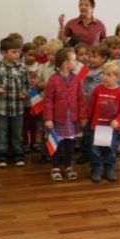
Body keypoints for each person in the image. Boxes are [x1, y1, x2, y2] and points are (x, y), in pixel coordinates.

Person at [43, 48, 88, 181]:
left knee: (70, 143)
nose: (76, 62)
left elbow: (81, 99)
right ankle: (55, 167)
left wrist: (83, 116)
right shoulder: (53, 80)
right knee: (56, 143)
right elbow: (48, 101)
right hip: (57, 119)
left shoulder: (76, 79)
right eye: (74, 60)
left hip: (72, 118)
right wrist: (48, 118)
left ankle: (69, 166)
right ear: (65, 63)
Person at [0, 37, 30, 168]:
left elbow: (27, 85)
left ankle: (18, 154)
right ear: (3, 52)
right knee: (2, 133)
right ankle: (1, 154)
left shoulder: (23, 67)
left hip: (18, 107)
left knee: (17, 133)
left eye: (18, 52)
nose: (17, 54)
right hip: (2, 108)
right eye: (13, 51)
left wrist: (25, 92)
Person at [87, 61, 120, 183]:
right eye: (104, 74)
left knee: (110, 150)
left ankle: (109, 169)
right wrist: (87, 118)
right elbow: (91, 106)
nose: (104, 77)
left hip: (111, 128)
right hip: (97, 127)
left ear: (118, 77)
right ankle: (96, 170)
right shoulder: (98, 89)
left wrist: (118, 120)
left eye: (109, 75)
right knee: (96, 150)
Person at [77, 44, 110, 164]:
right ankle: (85, 153)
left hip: (101, 108)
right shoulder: (85, 70)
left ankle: (101, 154)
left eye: (94, 56)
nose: (91, 59)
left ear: (103, 58)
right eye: (90, 56)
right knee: (86, 131)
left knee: (101, 131)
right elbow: (79, 82)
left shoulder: (106, 72)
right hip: (87, 106)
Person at [35, 39, 64, 163]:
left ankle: (60, 154)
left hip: (60, 105)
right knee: (45, 130)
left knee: (60, 130)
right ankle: (45, 153)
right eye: (48, 54)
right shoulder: (42, 68)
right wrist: (46, 85)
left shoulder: (64, 68)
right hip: (46, 104)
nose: (50, 56)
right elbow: (37, 84)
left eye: (54, 54)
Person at [22, 42, 40, 153]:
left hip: (35, 98)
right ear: (23, 54)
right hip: (24, 99)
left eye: (34, 55)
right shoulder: (20, 66)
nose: (32, 57)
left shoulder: (39, 66)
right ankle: (25, 143)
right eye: (30, 55)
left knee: (34, 122)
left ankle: (34, 142)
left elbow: (40, 81)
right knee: (24, 122)